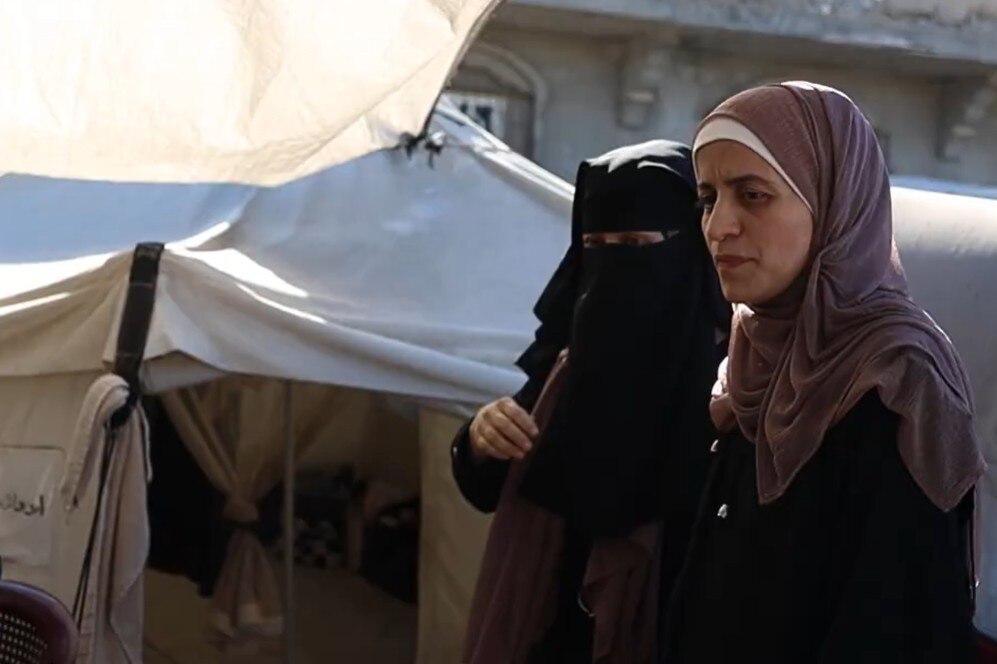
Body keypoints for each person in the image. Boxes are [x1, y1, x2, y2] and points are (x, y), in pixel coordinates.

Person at [661, 81, 984, 663]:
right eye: (708, 198)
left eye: (752, 195)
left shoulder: (897, 379)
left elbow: (895, 624)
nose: (718, 227)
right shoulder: (751, 356)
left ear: (833, 202)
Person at [452, 141, 730, 663]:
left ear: (688, 246)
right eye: (596, 244)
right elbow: (492, 483)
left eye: (633, 242)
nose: (613, 263)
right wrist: (478, 438)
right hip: (548, 633)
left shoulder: (734, 381)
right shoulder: (568, 361)